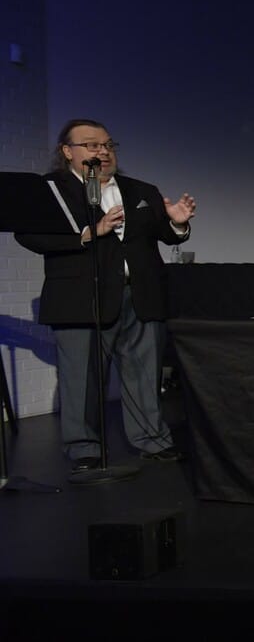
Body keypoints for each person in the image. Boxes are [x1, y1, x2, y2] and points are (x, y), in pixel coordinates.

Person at [14, 119, 196, 483]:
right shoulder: (51, 190)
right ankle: (84, 449)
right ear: (67, 151)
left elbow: (165, 235)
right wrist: (87, 235)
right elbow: (29, 235)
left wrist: (176, 223)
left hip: (140, 296)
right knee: (81, 377)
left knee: (144, 375)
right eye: (92, 145)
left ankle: (152, 440)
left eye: (108, 145)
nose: (102, 152)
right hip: (81, 297)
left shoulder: (140, 189)